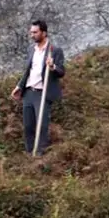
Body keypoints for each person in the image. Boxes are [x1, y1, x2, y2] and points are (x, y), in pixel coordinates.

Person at [11, 19, 65, 156]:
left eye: (35, 32)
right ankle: (30, 153)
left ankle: (40, 153)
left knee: (42, 124)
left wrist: (52, 66)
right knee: (28, 125)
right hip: (29, 92)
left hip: (43, 92)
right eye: (31, 32)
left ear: (44, 33)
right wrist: (19, 86)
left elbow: (61, 72)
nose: (32, 35)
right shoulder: (31, 49)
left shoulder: (54, 50)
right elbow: (28, 70)